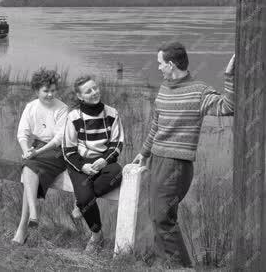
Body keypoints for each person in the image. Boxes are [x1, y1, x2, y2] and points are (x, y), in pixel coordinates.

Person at [132, 42, 235, 268]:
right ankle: (165, 264)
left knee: (162, 218)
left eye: (160, 63)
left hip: (176, 165)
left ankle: (181, 267)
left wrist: (229, 75)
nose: (158, 68)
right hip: (157, 160)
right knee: (156, 216)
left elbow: (228, 107)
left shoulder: (199, 91)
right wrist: (144, 152)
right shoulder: (164, 88)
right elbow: (156, 125)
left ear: (170, 64)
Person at [63, 75, 124, 254]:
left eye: (95, 88)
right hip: (80, 163)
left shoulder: (112, 113)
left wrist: (105, 159)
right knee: (84, 199)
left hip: (104, 162)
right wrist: (83, 167)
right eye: (88, 91)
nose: (94, 92)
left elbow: (117, 143)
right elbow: (68, 150)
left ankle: (82, 202)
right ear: (80, 96)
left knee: (118, 172)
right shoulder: (73, 117)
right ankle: (96, 234)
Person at [12, 68, 68, 244]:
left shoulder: (62, 108)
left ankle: (23, 227)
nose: (50, 94)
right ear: (37, 90)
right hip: (37, 149)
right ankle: (31, 218)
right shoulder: (31, 107)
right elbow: (23, 133)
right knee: (29, 166)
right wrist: (26, 149)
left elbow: (59, 138)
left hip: (57, 151)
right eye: (46, 91)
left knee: (30, 166)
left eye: (53, 90)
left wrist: (36, 152)